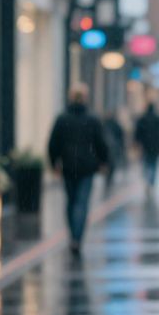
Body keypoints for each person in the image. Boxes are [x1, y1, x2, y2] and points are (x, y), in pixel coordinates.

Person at [47, 84, 109, 256]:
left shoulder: (62, 119)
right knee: (81, 203)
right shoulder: (92, 119)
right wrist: (104, 162)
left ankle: (74, 235)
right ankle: (77, 237)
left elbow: (53, 144)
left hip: (68, 167)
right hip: (87, 168)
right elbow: (101, 143)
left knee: (71, 201)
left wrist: (54, 163)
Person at [134, 102, 159, 193]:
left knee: (146, 163)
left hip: (146, 146)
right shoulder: (158, 120)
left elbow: (138, 133)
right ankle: (151, 181)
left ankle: (148, 178)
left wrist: (137, 143)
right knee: (154, 164)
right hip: (156, 146)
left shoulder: (143, 119)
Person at [102, 110, 126, 190]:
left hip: (106, 148)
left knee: (108, 163)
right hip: (114, 147)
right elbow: (121, 135)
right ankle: (109, 178)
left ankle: (108, 178)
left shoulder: (104, 124)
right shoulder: (115, 124)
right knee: (112, 163)